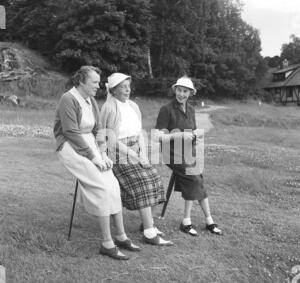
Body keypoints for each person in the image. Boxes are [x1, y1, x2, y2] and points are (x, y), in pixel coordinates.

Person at [53, 66, 140, 260]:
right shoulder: (68, 99)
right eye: (94, 82)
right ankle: (107, 244)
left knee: (113, 185)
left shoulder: (91, 100)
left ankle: (121, 236)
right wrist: (93, 158)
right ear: (81, 82)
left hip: (91, 146)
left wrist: (102, 153)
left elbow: (98, 129)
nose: (98, 86)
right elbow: (71, 133)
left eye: (99, 82)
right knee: (102, 188)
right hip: (70, 147)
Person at [99, 72, 173, 246]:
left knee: (155, 179)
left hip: (136, 150)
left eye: (128, 86)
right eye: (123, 87)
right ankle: (149, 233)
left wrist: (144, 154)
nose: (127, 90)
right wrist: (136, 156)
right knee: (143, 182)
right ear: (114, 90)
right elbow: (111, 140)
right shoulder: (109, 108)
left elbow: (139, 132)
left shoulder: (133, 106)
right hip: (118, 153)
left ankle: (148, 225)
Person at [155, 76, 222, 237]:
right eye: (179, 90)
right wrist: (177, 136)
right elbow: (158, 136)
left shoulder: (191, 109)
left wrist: (196, 135)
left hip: (187, 151)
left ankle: (208, 221)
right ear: (175, 90)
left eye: (185, 91)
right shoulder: (166, 109)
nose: (181, 94)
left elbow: (192, 131)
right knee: (194, 178)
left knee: (198, 178)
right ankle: (187, 222)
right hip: (170, 153)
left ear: (190, 93)